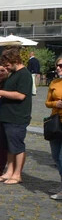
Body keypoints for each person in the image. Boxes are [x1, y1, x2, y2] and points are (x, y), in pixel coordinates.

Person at [0, 48, 32, 185]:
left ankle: (17, 174)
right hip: (7, 116)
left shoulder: (24, 74)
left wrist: (0, 92)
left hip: (17, 117)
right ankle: (9, 171)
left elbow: (21, 95)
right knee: (8, 146)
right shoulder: (13, 74)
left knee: (17, 146)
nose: (6, 67)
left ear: (15, 60)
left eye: (7, 64)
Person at [46, 56, 62, 199]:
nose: (58, 68)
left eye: (61, 66)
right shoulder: (54, 83)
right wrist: (54, 104)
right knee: (56, 156)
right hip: (56, 123)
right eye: (57, 65)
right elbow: (47, 102)